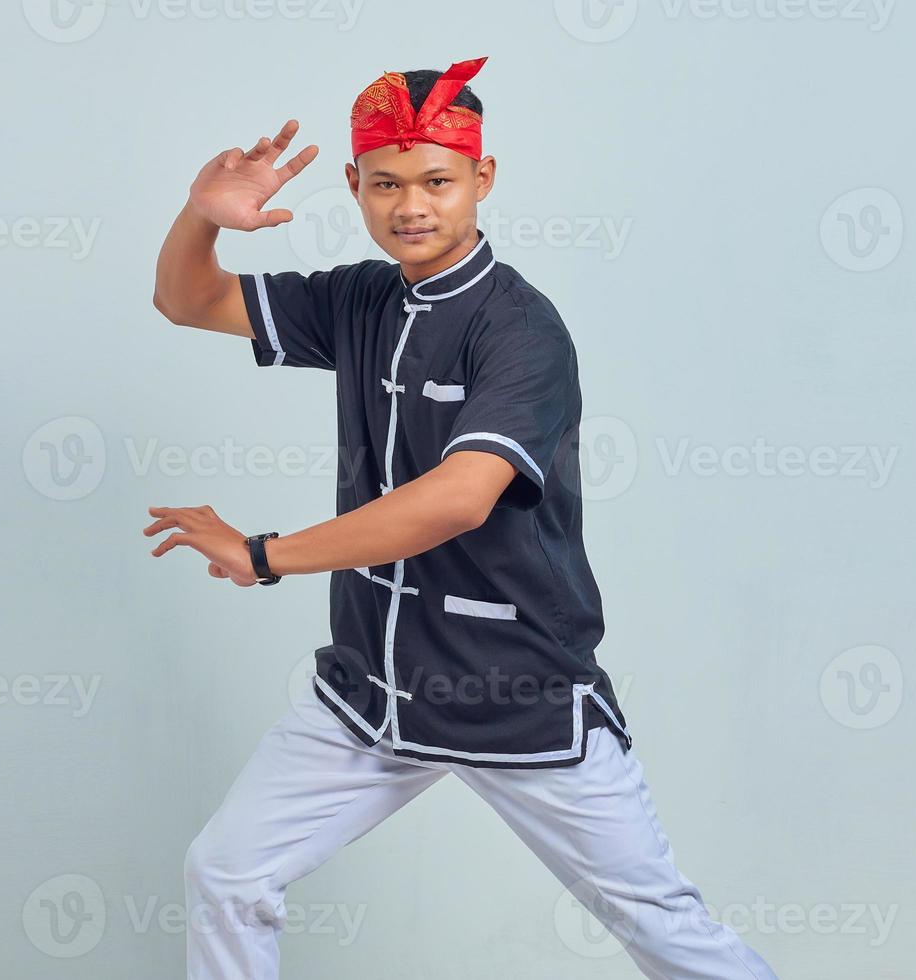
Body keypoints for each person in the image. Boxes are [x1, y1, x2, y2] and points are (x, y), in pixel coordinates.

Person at [147, 55, 781, 980]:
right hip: (371, 690)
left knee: (664, 927)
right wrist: (202, 217)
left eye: (437, 182)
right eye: (387, 184)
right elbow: (186, 299)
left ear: (481, 181)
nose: (412, 205)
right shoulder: (362, 297)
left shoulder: (521, 328)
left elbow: (455, 500)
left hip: (512, 692)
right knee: (227, 871)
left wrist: (264, 554)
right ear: (355, 187)